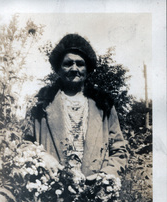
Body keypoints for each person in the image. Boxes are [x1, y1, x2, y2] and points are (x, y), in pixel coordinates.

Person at [29, 33, 127, 182]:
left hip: (94, 194)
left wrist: (105, 175)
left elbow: (119, 150)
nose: (74, 69)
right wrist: (43, 157)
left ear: (87, 68)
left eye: (80, 64)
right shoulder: (42, 103)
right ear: (58, 68)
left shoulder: (103, 104)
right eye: (68, 63)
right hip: (51, 193)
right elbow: (25, 144)